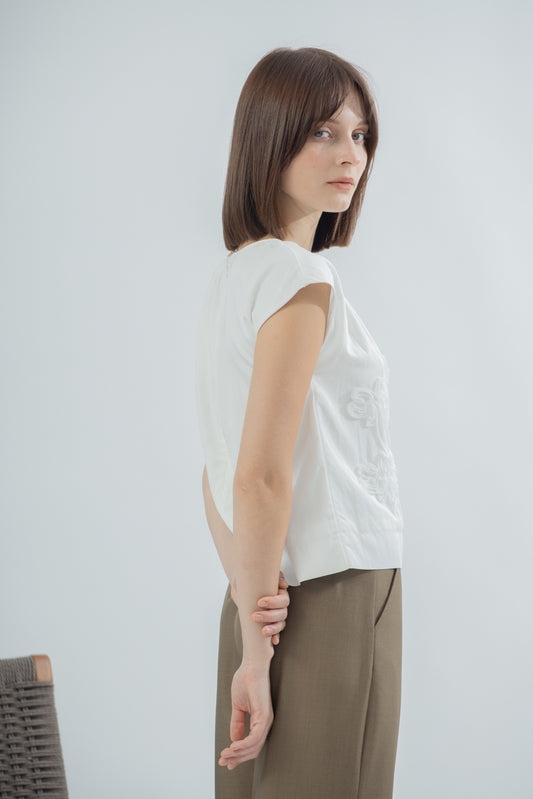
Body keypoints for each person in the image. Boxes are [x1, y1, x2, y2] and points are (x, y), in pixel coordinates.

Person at [195, 46, 404, 799]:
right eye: (322, 131)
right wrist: (259, 645)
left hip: (262, 591)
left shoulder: (236, 275)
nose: (350, 154)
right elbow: (255, 472)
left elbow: (217, 469)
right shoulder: (300, 276)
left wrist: (248, 600)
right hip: (333, 590)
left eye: (360, 134)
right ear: (270, 137)